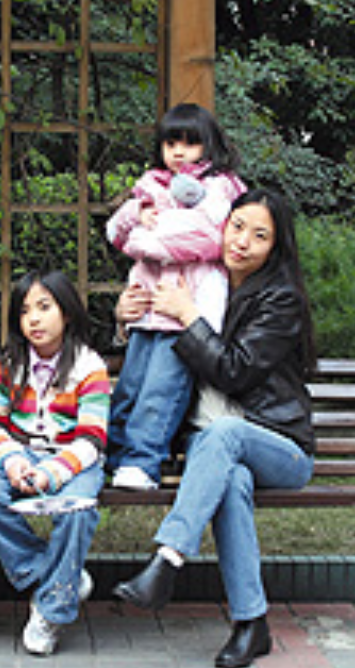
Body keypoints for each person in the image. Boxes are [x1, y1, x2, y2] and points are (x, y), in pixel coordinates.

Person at [112, 188, 317, 668]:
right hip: (218, 454)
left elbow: (234, 372)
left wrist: (188, 316)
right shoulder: (202, 278)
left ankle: (168, 559)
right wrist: (126, 320)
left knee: (223, 433)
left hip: (281, 448)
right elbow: (156, 356)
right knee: (231, 482)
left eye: (259, 235)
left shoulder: (280, 300)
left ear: (276, 247)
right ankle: (252, 625)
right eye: (237, 227)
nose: (242, 241)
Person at [0, 270, 110, 656]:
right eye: (25, 310)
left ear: (67, 312)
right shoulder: (8, 362)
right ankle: (58, 581)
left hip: (73, 457)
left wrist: (50, 473)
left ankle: (51, 611)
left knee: (78, 509)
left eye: (44, 307)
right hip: (17, 451)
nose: (34, 319)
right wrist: (12, 460)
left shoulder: (88, 365)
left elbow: (92, 438)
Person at [105, 102, 247, 491]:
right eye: (171, 143)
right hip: (147, 309)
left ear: (209, 145)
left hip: (186, 311)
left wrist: (146, 240)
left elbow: (208, 237)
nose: (179, 152)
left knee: (162, 390)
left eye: (190, 143)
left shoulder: (221, 187)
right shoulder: (149, 186)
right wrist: (135, 214)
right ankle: (114, 457)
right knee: (130, 387)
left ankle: (142, 462)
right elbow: (115, 232)